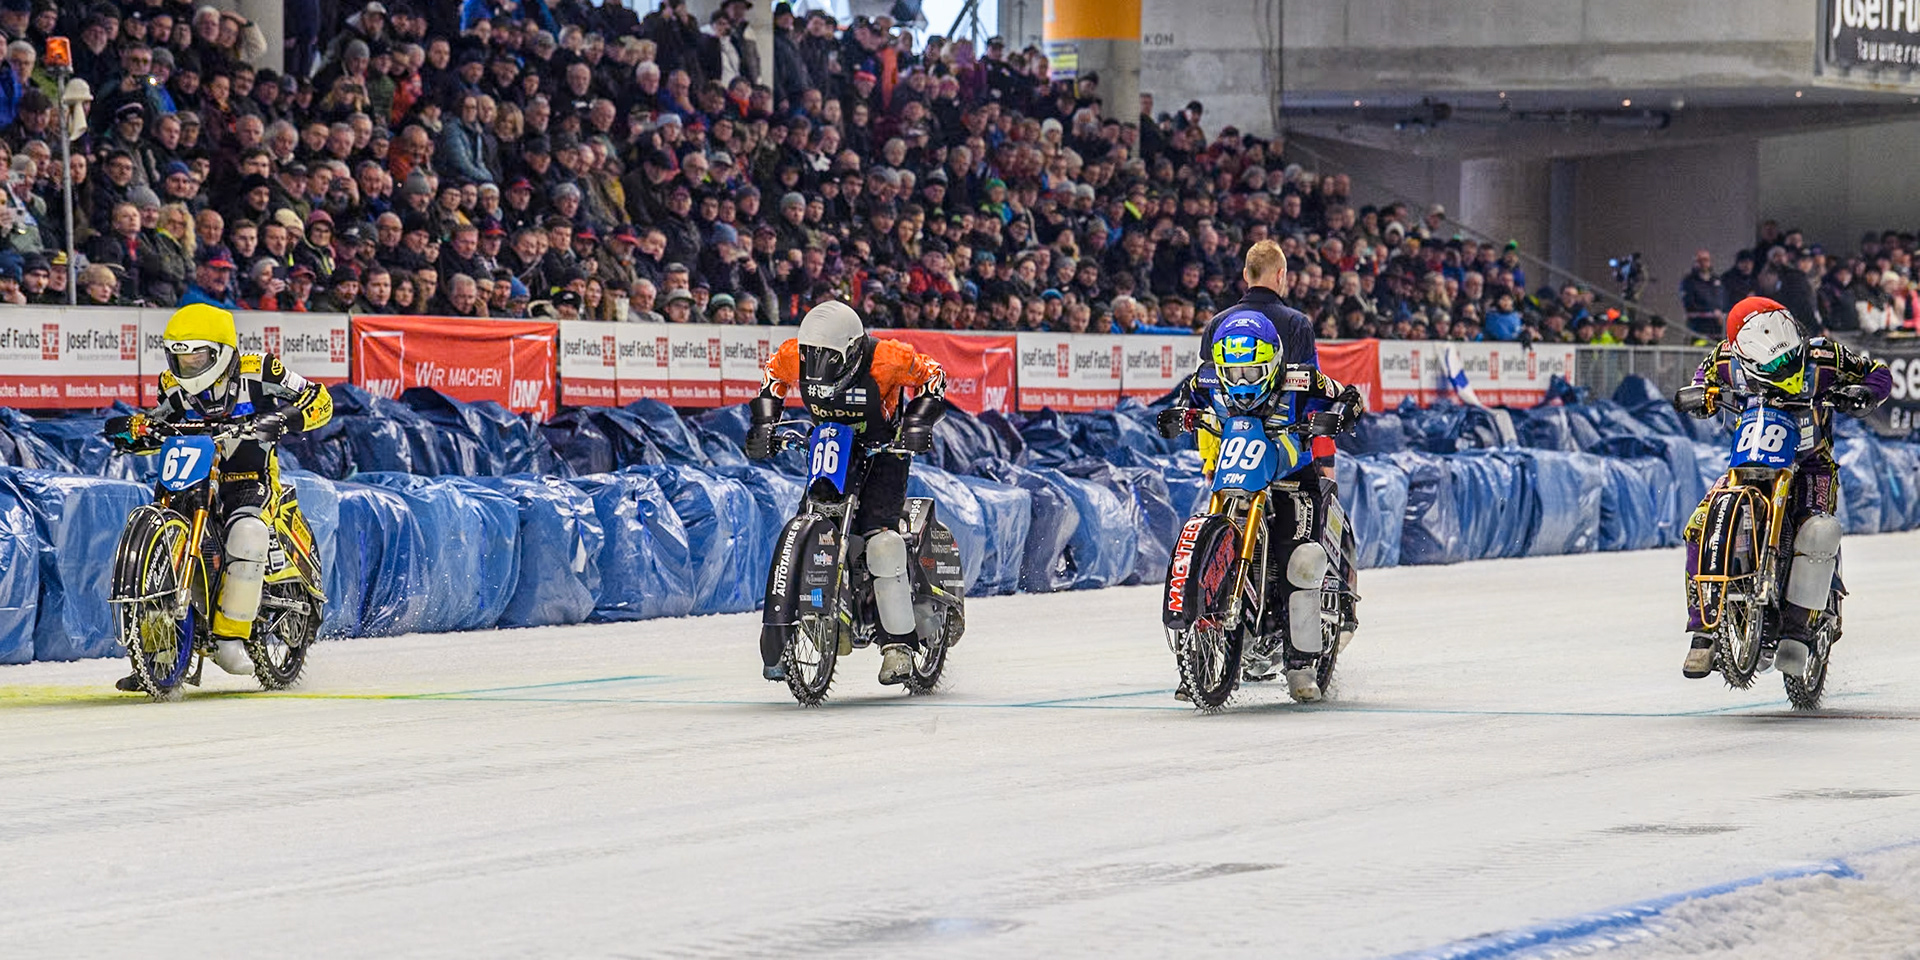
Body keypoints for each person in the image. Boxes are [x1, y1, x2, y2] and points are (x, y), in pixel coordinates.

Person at [103, 303, 335, 692]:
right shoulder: (170, 385)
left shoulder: (260, 370)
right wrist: (133, 430)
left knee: (247, 533)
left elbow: (319, 399)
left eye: (196, 356)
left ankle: (232, 637)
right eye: (180, 357)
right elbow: (157, 424)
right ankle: (157, 654)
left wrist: (283, 419)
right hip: (192, 475)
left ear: (221, 352)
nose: (187, 365)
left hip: (250, 476)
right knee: (162, 545)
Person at [1674, 296, 1890, 680]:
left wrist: (1865, 392)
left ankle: (1798, 629)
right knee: (1698, 523)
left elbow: (1877, 372)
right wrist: (1700, 396)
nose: (1785, 367)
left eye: (1789, 356)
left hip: (1810, 463)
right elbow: (1700, 382)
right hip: (1749, 461)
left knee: (1817, 529)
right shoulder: (1724, 360)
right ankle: (1702, 630)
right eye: (1773, 364)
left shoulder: (1825, 356)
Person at [1157, 310, 1362, 703]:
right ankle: (1198, 645)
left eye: (1252, 373)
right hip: (1236, 473)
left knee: (1299, 560)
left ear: (1271, 363)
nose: (1242, 383)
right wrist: (1179, 416)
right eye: (1234, 374)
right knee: (1207, 526)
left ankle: (1301, 663)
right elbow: (1188, 399)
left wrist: (1338, 416)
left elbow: (1347, 395)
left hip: (1292, 477)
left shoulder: (1301, 378)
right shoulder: (1207, 378)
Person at [744, 300, 947, 685]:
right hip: (831, 444)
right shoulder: (792, 355)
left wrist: (917, 422)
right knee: (815, 513)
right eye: (812, 359)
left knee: (880, 540)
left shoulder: (889, 357)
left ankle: (899, 645)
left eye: (828, 360)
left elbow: (934, 377)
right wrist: (765, 424)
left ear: (853, 351)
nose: (817, 369)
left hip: (885, 448)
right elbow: (773, 377)